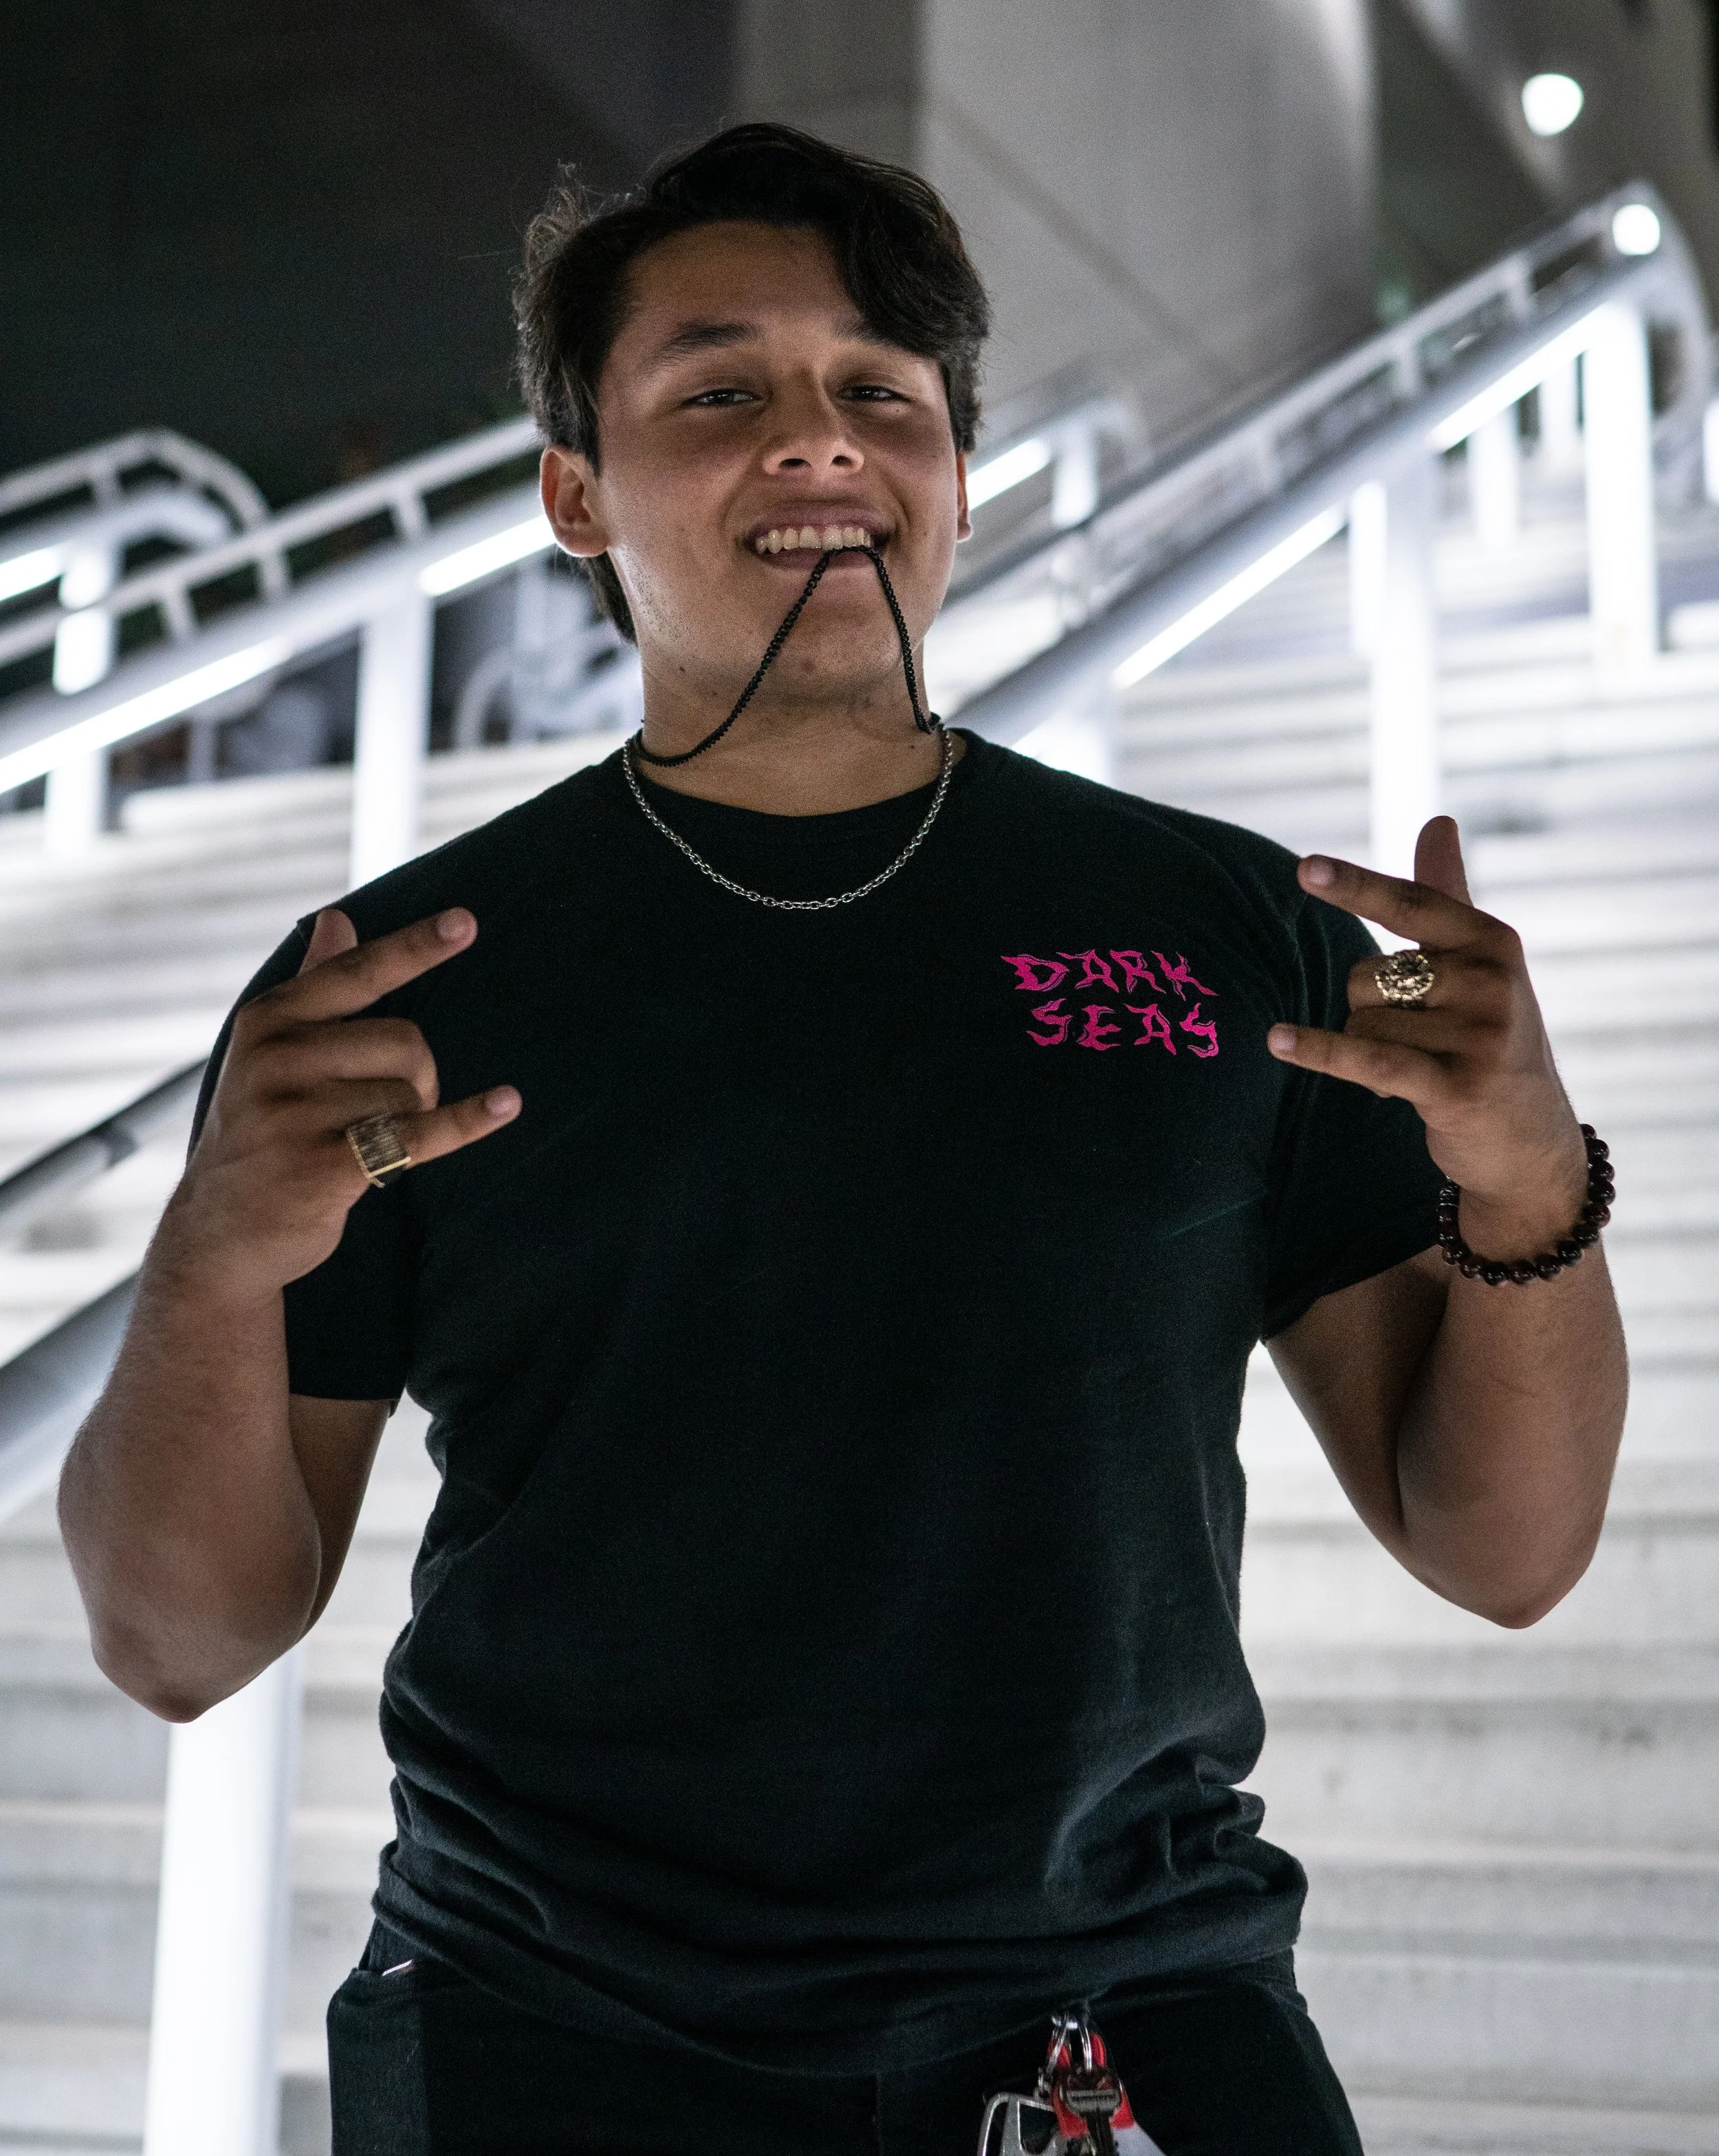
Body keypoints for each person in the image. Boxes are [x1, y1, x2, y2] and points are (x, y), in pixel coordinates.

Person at [59, 124, 1628, 2155]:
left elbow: (1503, 1552)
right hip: (551, 2017)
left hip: (1122, 1997)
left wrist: (1525, 1178)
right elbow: (180, 1640)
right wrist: (205, 1257)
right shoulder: (391, 987)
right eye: (717, 391)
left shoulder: (1226, 929)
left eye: (877, 391)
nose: (815, 440)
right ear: (570, 494)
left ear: (954, 477)